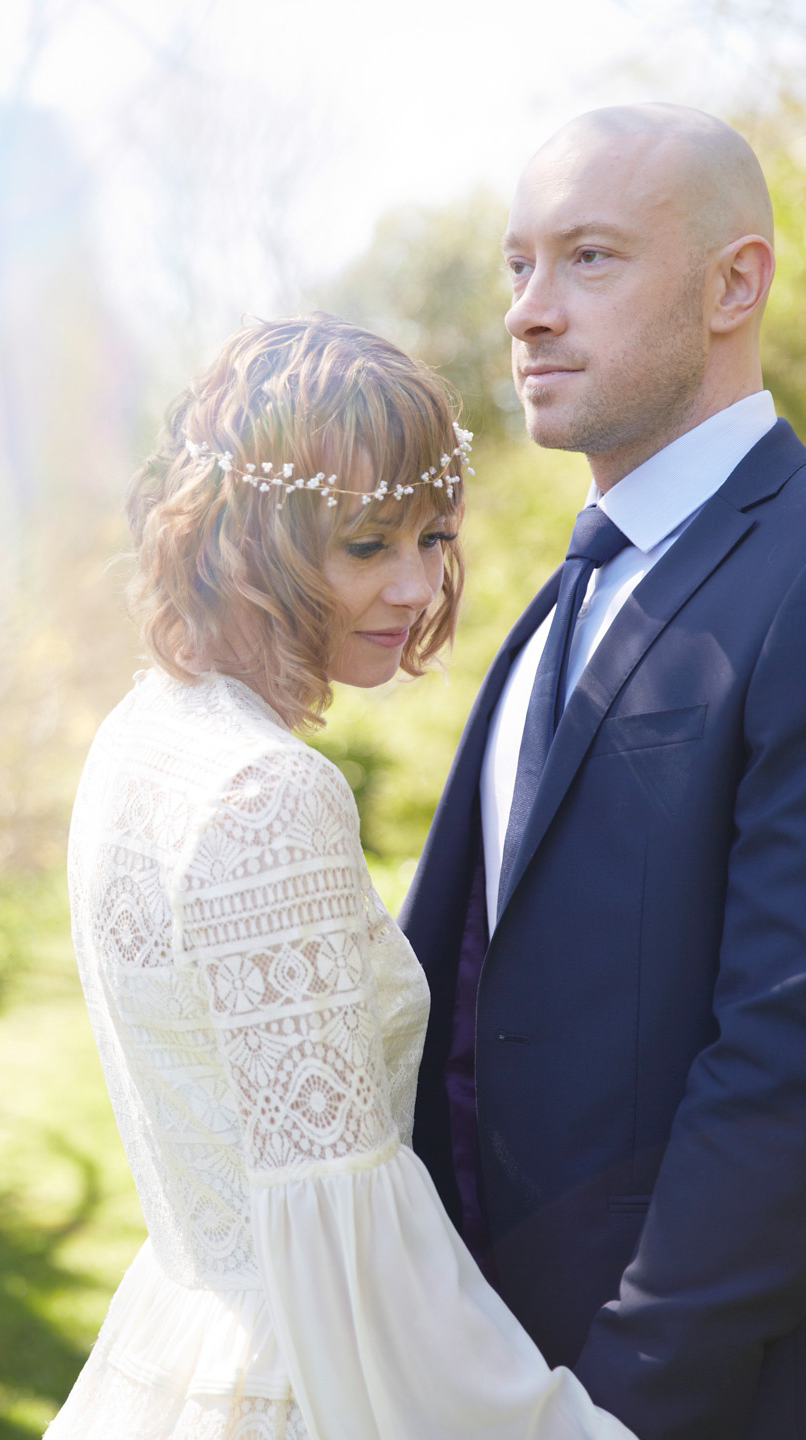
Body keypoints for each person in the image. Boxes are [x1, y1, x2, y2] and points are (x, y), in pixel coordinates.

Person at [43, 313, 636, 1439]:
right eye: (368, 545)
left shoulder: (140, 733)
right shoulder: (270, 794)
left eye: (434, 536)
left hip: (183, 1331)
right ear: (245, 538)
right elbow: (350, 1242)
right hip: (298, 1380)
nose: (418, 589)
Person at [401, 104, 806, 1440]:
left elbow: (784, 1053)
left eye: (588, 258)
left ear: (733, 283)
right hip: (497, 1371)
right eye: (518, 263)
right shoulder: (572, 589)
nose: (526, 310)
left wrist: (627, 1401)